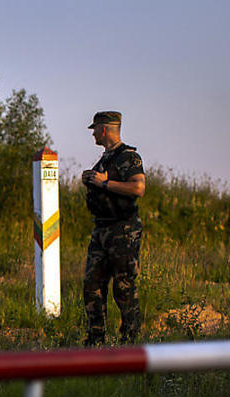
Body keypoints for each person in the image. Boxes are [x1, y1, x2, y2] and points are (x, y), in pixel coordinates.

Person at [80, 111, 146, 345]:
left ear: (104, 129)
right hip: (102, 228)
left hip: (123, 230)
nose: (93, 134)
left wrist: (105, 183)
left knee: (123, 286)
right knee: (92, 284)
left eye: (95, 130)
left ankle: (130, 340)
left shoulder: (128, 157)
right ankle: (96, 339)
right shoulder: (105, 159)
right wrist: (91, 180)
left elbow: (138, 188)